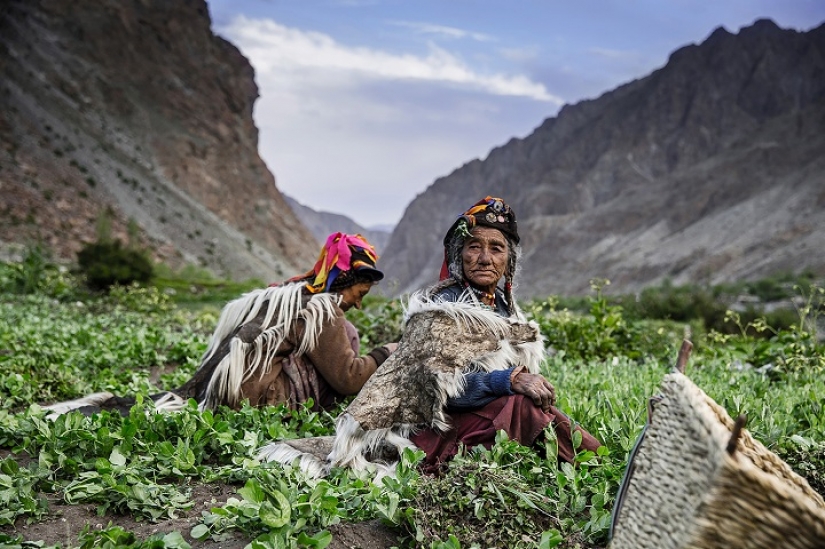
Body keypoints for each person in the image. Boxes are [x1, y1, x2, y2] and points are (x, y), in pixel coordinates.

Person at [44, 232, 397, 416]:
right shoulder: (322, 309)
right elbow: (348, 378)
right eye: (359, 292)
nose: (358, 303)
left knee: (345, 335)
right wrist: (389, 351)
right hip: (254, 401)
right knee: (347, 339)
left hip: (224, 392)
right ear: (343, 280)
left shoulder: (284, 295)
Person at [409, 196, 602, 472]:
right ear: (459, 254)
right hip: (439, 430)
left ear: (508, 261)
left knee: (531, 406)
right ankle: (595, 466)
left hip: (487, 421)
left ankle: (593, 460)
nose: (485, 259)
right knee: (521, 405)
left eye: (496, 248)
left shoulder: (504, 307)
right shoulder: (443, 307)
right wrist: (509, 380)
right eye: (474, 246)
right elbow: (440, 391)